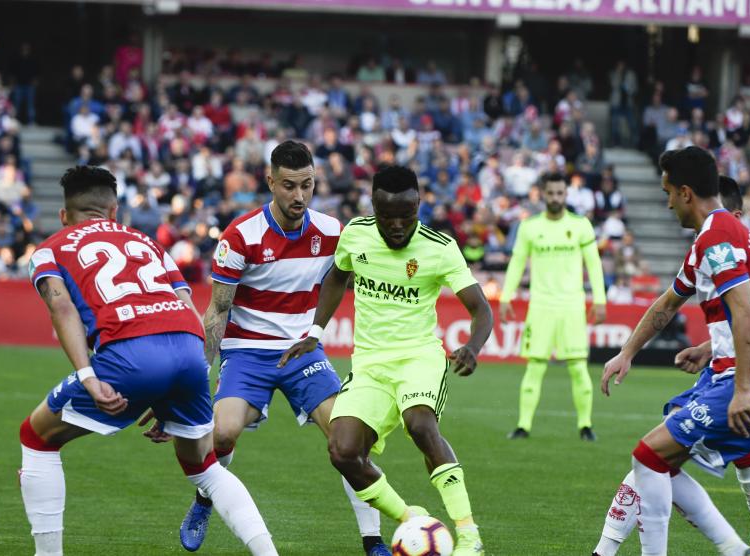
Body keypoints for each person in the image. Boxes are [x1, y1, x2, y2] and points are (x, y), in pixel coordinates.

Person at [141, 141, 390, 555]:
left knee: (349, 444)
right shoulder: (241, 236)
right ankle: (205, 498)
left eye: (307, 185)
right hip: (246, 352)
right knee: (220, 434)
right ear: (270, 181)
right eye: (289, 186)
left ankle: (373, 541)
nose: (299, 196)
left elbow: (348, 277)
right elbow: (217, 311)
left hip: (302, 352)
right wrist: (192, 383)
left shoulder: (331, 232)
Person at [19, 166, 277, 556]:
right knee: (205, 467)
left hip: (130, 351)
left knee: (36, 436)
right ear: (114, 210)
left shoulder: (52, 247)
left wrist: (87, 375)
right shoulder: (148, 242)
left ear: (64, 216)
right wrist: (175, 388)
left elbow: (60, 305)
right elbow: (188, 303)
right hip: (189, 350)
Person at [593, 176, 750, 556]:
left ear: (735, 218)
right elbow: (689, 309)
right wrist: (708, 347)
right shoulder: (708, 247)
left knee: (654, 458)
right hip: (723, 375)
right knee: (662, 458)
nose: (667, 205)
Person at [281, 165, 493, 556]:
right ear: (373, 205)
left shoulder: (439, 246)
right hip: (369, 365)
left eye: (406, 215)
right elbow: (336, 278)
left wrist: (472, 347)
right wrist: (314, 333)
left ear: (419, 205)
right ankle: (410, 517)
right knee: (342, 451)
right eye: (386, 215)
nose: (396, 225)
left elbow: (481, 309)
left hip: (419, 358)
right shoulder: (355, 234)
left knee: (421, 426)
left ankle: (469, 535)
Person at [499, 174, 606, 440]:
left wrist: (600, 299)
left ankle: (585, 425)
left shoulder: (581, 225)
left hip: (572, 305)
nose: (556, 198)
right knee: (535, 366)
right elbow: (517, 262)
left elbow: (594, 264)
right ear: (543, 195)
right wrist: (505, 297)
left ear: (566, 195)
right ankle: (523, 426)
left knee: (578, 367)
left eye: (560, 193)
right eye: (551, 193)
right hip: (541, 306)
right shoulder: (529, 227)